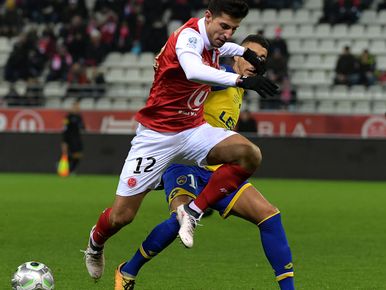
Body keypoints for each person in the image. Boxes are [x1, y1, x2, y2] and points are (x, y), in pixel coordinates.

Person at [83, 0, 279, 285]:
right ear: (207, 16)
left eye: (234, 29)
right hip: (156, 137)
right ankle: (95, 244)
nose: (227, 33)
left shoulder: (213, 39)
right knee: (122, 217)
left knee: (250, 154)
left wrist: (245, 51)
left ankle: (194, 210)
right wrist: (240, 80)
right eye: (224, 26)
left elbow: (223, 48)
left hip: (192, 130)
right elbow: (192, 70)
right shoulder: (187, 36)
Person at [114, 34, 294, 290]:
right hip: (183, 162)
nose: (255, 61)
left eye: (261, 58)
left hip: (217, 171)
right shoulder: (220, 75)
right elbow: (201, 77)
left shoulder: (240, 87)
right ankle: (128, 271)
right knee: (179, 218)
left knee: (269, 216)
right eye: (250, 54)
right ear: (236, 55)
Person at [61, 100, 85, 174]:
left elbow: (83, 127)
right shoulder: (68, 117)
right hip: (69, 139)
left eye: (78, 107)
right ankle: (67, 169)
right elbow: (65, 129)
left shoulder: (79, 117)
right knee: (69, 154)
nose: (77, 108)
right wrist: (64, 141)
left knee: (78, 155)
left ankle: (71, 170)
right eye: (75, 107)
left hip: (77, 139)